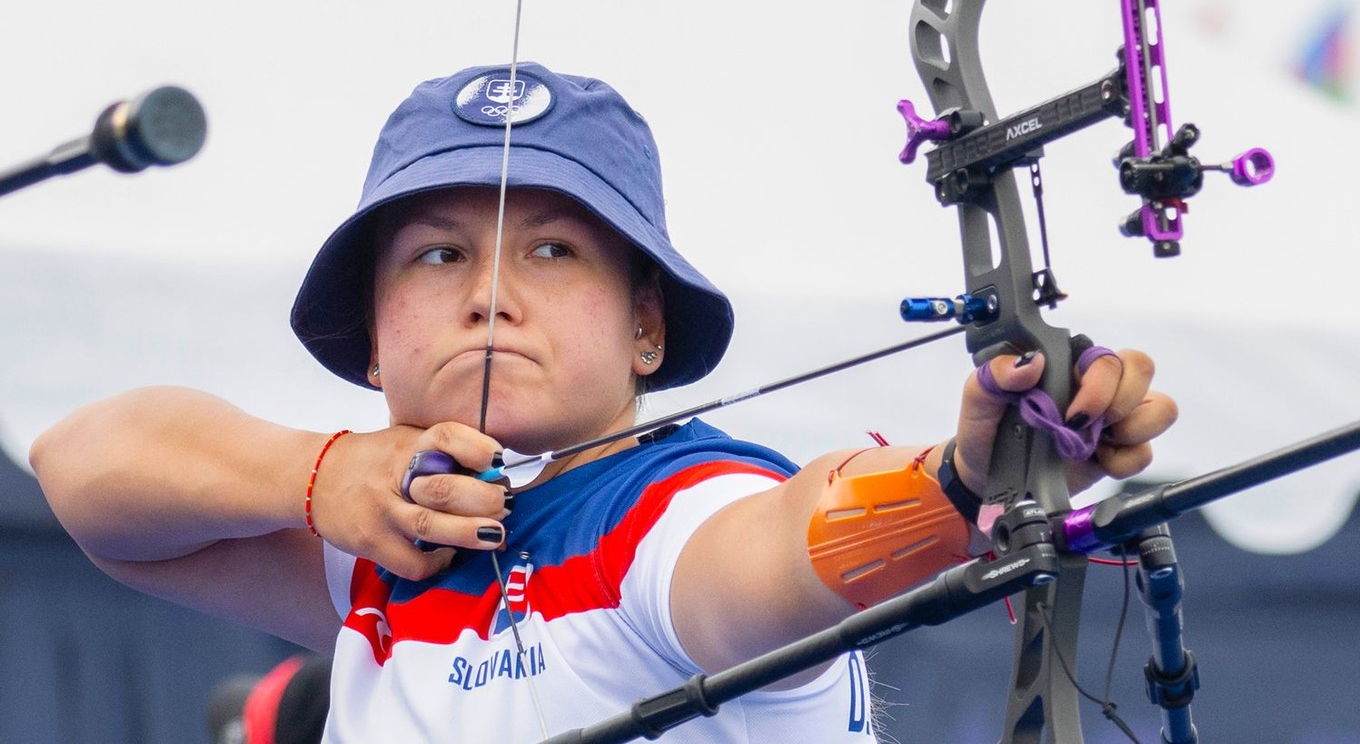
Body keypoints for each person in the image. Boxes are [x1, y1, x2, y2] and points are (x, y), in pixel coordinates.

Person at [30, 63, 1175, 743]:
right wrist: (323, 475)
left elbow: (777, 548)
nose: (488, 294)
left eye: (550, 249)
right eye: (434, 256)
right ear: (372, 340)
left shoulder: (672, 512)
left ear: (645, 326)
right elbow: (88, 470)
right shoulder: (391, 537)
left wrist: (963, 479)